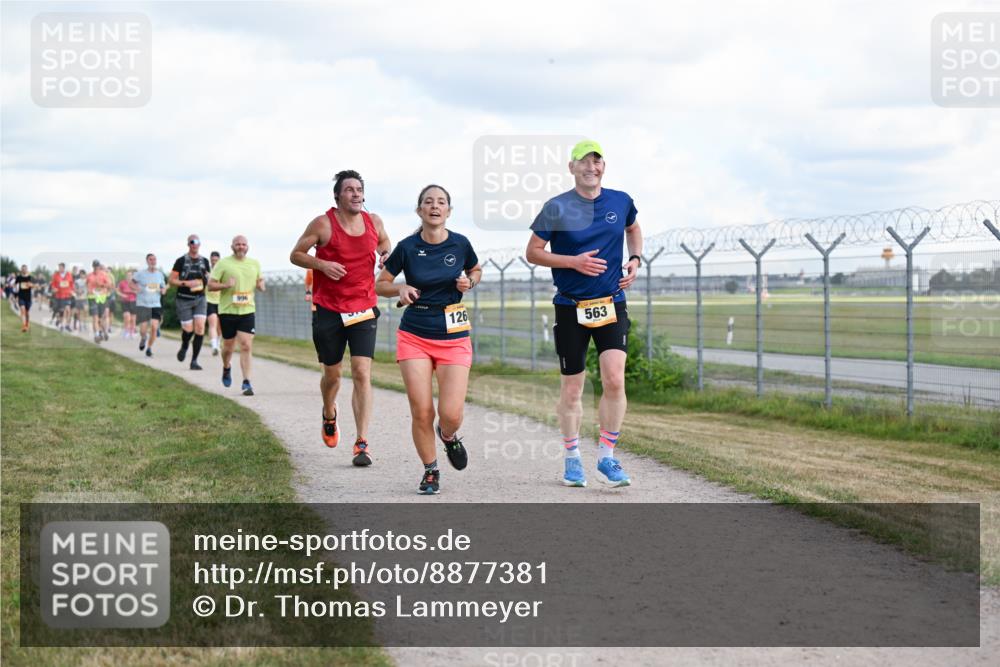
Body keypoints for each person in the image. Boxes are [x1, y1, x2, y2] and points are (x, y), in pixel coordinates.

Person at [525, 139, 643, 488]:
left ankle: (607, 456)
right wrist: (572, 262)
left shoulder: (620, 201)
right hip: (570, 307)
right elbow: (533, 252)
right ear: (571, 167)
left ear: (603, 166)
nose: (592, 167)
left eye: (597, 161)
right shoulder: (556, 207)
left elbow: (633, 228)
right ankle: (572, 457)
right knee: (573, 389)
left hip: (611, 302)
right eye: (584, 162)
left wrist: (635, 259)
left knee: (614, 379)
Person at [375, 184, 481, 495]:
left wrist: (469, 281)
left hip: (454, 333)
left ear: (449, 211)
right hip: (415, 334)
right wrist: (400, 289)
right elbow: (381, 284)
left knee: (451, 414)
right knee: (421, 410)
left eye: (441, 202)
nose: (435, 206)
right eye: (428, 202)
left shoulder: (461, 244)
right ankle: (431, 470)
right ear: (419, 210)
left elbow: (476, 269)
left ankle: (448, 436)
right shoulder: (407, 247)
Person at [289, 169, 391, 466]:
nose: (356, 194)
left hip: (362, 307)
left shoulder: (374, 221)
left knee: (361, 372)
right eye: (349, 190)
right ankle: (329, 411)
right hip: (330, 309)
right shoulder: (323, 223)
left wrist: (385, 255)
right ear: (338, 196)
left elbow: (385, 243)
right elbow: (296, 254)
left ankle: (361, 442)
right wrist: (322, 264)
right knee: (332, 376)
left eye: (359, 189)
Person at [208, 235, 264, 396]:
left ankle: (247, 382)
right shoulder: (223, 263)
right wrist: (226, 285)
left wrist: (261, 286)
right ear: (232, 246)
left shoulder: (254, 264)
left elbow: (261, 282)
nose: (241, 246)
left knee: (246, 345)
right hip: (228, 311)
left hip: (247, 310)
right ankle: (226, 366)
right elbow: (210, 285)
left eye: (243, 244)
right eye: (238, 244)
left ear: (248, 247)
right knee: (228, 347)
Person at [169, 234, 212, 370]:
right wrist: (186, 283)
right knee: (188, 329)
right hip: (183, 299)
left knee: (200, 328)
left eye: (197, 242)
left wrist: (208, 280)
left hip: (200, 298)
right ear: (188, 244)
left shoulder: (205, 261)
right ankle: (184, 345)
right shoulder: (180, 261)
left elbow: (208, 278)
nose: (194, 244)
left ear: (200, 244)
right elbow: (171, 280)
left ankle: (194, 361)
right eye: (192, 242)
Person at [131, 254, 167, 357]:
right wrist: (137, 289)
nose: (153, 261)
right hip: (143, 304)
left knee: (154, 327)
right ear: (147, 261)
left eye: (154, 259)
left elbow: (163, 288)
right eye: (151, 259)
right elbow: (131, 283)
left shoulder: (160, 274)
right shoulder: (140, 274)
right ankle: (143, 338)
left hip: (155, 304)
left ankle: (149, 348)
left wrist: (163, 290)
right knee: (143, 329)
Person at [86, 260, 114, 343]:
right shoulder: (89, 275)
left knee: (101, 318)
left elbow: (110, 285)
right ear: (92, 266)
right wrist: (89, 290)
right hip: (92, 298)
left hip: (102, 298)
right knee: (95, 317)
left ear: (99, 266)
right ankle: (97, 335)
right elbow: (86, 285)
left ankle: (103, 331)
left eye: (97, 266)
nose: (96, 268)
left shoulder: (104, 275)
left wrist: (102, 285)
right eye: (94, 266)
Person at [206, 251, 222, 356]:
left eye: (216, 260)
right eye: (212, 260)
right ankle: (214, 346)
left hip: (221, 302)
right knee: (212, 324)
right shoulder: (206, 272)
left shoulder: (223, 272)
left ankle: (218, 343)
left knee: (220, 328)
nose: (214, 262)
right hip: (209, 301)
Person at [50, 262, 75, 331]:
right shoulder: (56, 275)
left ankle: (67, 325)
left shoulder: (69, 275)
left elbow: (72, 284)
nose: (59, 269)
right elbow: (53, 284)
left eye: (61, 267)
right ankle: (61, 324)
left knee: (68, 310)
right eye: (59, 267)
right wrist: (54, 288)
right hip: (59, 295)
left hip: (67, 295)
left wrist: (72, 290)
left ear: (64, 268)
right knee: (61, 311)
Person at [117, 270, 138, 338]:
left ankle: (132, 332)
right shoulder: (122, 283)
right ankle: (126, 331)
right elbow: (117, 291)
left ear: (132, 276)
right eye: (127, 275)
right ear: (126, 276)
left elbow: (139, 292)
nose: (128, 277)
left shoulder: (135, 283)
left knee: (133, 319)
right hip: (125, 301)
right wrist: (122, 295)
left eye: (130, 275)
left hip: (133, 301)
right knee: (127, 317)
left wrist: (133, 291)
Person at [15, 265, 33, 332]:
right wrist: (16, 296)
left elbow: (33, 285)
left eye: (25, 269)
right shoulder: (19, 277)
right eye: (23, 269)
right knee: (22, 310)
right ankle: (24, 326)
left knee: (27, 312)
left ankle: (27, 324)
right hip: (21, 296)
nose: (24, 270)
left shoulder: (30, 277)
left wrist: (30, 285)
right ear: (21, 270)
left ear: (27, 270)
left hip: (28, 297)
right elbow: (16, 286)